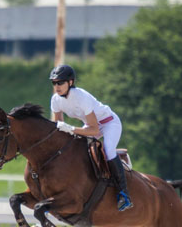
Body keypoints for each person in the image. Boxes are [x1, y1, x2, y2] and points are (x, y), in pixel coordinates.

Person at [49, 64, 133, 211]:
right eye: (54, 83)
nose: (57, 86)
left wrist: (72, 129)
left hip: (109, 124)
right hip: (91, 126)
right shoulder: (56, 100)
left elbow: (94, 130)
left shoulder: (81, 97)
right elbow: (58, 125)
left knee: (107, 150)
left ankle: (123, 194)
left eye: (60, 82)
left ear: (70, 82)